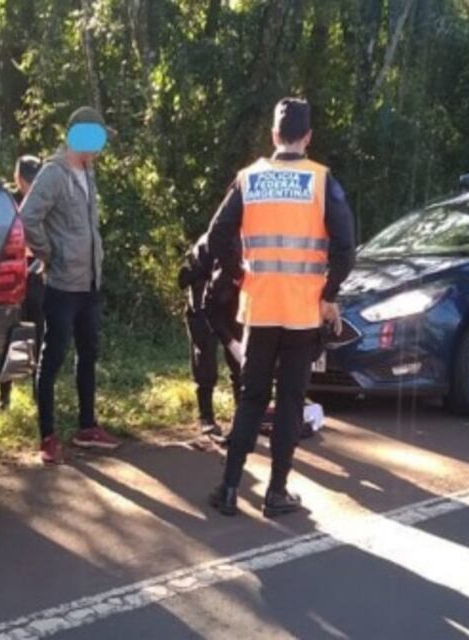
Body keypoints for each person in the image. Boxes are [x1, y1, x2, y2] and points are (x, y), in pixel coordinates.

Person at [206, 97, 355, 517]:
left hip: (259, 308)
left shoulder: (249, 178)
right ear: (307, 137)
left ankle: (231, 488)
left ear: (274, 135)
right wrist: (328, 295)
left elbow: (218, 236)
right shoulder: (322, 180)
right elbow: (345, 248)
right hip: (303, 313)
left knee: (251, 398)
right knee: (290, 400)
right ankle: (276, 493)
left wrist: (240, 275)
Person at [21, 107, 120, 465]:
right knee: (53, 357)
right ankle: (46, 435)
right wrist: (49, 253)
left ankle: (87, 427)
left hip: (89, 281)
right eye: (94, 138)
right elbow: (28, 217)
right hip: (62, 283)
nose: (99, 147)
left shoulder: (88, 172)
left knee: (88, 353)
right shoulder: (53, 174)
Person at [177, 232, 243, 439]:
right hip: (203, 297)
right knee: (204, 355)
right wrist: (203, 316)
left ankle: (242, 418)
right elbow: (196, 283)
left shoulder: (251, 238)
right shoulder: (209, 243)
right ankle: (206, 417)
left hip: (235, 302)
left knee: (240, 360)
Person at [0, 155, 44, 411]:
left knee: (38, 335)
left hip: (35, 276)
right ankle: (4, 398)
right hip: (16, 277)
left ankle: (40, 394)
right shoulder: (10, 203)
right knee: (12, 335)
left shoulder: (40, 202)